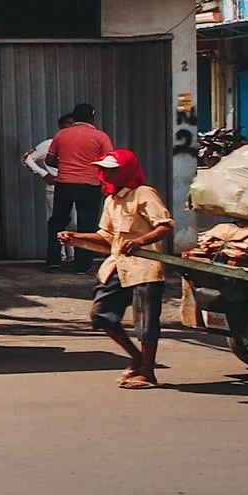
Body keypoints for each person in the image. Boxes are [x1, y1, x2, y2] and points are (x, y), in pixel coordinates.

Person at [60, 148, 173, 390]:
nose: (107, 175)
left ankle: (148, 373)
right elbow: (106, 237)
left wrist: (141, 241)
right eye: (104, 170)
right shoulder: (111, 200)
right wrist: (75, 237)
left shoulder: (144, 194)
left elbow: (165, 225)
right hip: (117, 266)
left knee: (145, 322)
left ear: (125, 170)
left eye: (112, 170)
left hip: (145, 267)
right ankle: (136, 358)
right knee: (101, 315)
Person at [43, 104, 115, 271]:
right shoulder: (100, 137)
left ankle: (54, 260)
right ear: (92, 118)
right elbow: (109, 161)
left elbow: (49, 161)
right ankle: (82, 266)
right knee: (87, 224)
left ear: (74, 118)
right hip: (90, 185)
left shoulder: (61, 135)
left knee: (57, 221)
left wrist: (67, 164)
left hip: (64, 184)